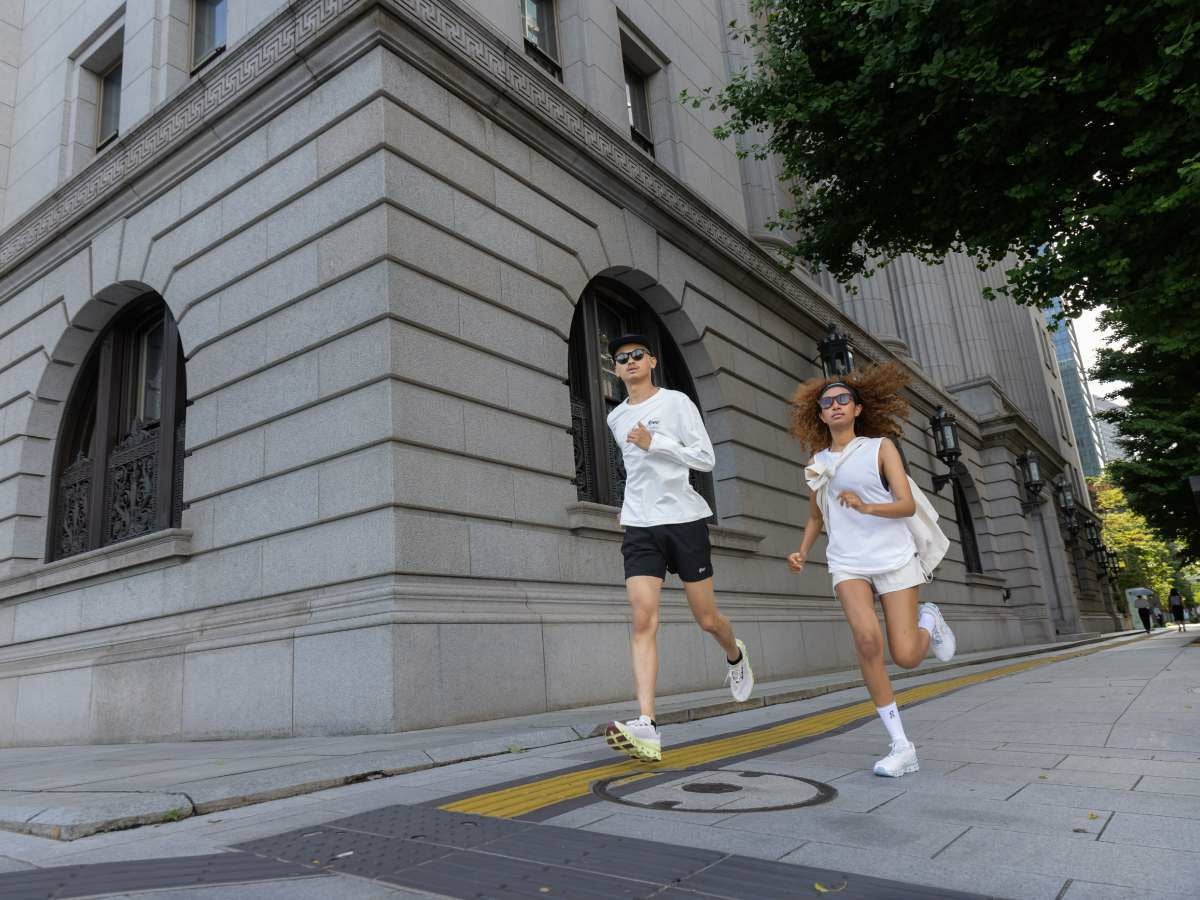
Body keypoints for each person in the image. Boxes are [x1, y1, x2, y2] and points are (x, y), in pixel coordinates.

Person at [787, 363, 955, 778]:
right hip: (847, 561)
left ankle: (929, 620)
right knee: (866, 641)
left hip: (893, 557)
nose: (835, 405)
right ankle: (901, 745)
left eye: (843, 399)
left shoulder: (880, 448)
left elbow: (906, 505)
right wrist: (802, 551)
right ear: (820, 415)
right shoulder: (817, 462)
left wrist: (867, 506)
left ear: (858, 408)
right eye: (827, 402)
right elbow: (816, 516)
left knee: (907, 657)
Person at [602, 335, 753, 763]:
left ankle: (735, 654)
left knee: (707, 619)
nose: (630, 362)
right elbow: (634, 470)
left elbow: (705, 459)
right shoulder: (615, 417)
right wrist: (629, 506)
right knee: (642, 618)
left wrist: (656, 443)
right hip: (640, 526)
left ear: (651, 361)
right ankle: (647, 724)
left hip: (684, 520)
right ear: (616, 369)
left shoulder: (676, 403)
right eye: (621, 359)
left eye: (637, 355)